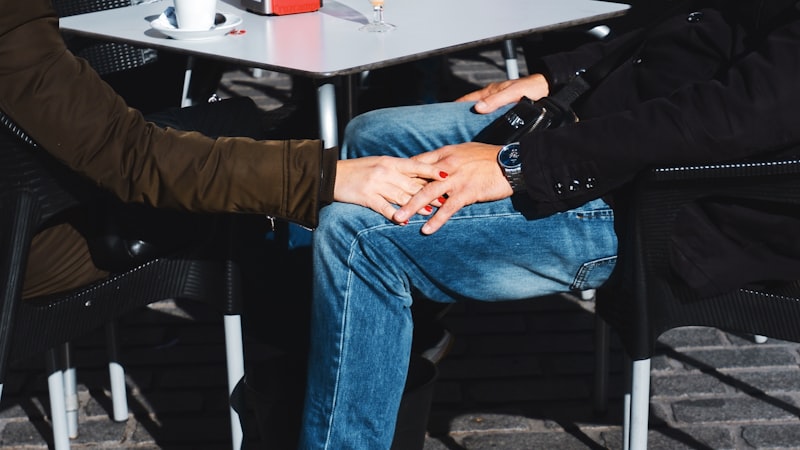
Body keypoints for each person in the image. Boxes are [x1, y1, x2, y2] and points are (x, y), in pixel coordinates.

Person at [298, 0, 800, 448]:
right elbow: (697, 17)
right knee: (374, 136)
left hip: (677, 200)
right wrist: (562, 74)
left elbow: (731, 117)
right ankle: (381, 353)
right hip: (614, 123)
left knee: (356, 237)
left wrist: (518, 165)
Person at [1, 0, 448, 299]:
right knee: (238, 203)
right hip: (19, 249)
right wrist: (324, 176)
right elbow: (131, 158)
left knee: (228, 138)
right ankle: (291, 389)